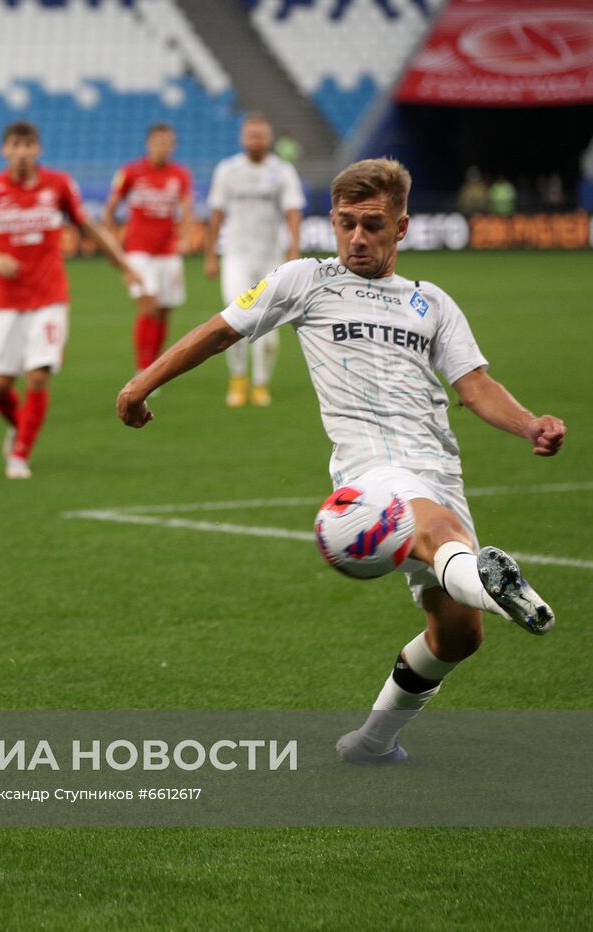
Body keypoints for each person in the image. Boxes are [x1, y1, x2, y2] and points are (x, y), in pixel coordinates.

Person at [116, 159, 565, 763]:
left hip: (438, 466)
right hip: (369, 471)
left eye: (372, 225)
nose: (357, 237)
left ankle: (375, 742)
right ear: (331, 221)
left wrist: (529, 423)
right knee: (437, 533)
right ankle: (494, 581)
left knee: (457, 635)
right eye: (346, 223)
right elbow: (221, 330)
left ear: (401, 227)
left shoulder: (430, 303)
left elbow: (475, 386)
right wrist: (141, 384)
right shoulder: (305, 280)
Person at [0, 120, 139, 479]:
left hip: (49, 297)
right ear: (4, 150)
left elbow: (87, 226)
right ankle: (18, 426)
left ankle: (20, 454)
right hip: (6, 301)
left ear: (38, 149)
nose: (21, 151)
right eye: (14, 144)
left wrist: (122, 262)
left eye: (28, 144)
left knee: (38, 377)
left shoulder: (59, 185)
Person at [203, 113, 305, 408]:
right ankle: (238, 378)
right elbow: (216, 213)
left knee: (269, 328)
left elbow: (293, 211)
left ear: (269, 138)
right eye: (251, 135)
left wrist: (293, 250)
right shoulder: (228, 170)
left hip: (271, 257)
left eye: (261, 135)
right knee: (233, 320)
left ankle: (261, 383)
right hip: (235, 256)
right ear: (243, 138)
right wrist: (211, 255)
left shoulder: (282, 171)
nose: (256, 141)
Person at [103, 122, 194, 376]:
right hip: (138, 252)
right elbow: (111, 207)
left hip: (168, 253)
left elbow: (187, 209)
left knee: (164, 311)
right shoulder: (131, 172)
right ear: (148, 144)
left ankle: (154, 366)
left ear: (173, 145)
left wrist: (186, 237)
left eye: (167, 142)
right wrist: (112, 242)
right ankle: (142, 369)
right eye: (158, 141)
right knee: (149, 305)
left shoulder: (180, 175)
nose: (163, 147)